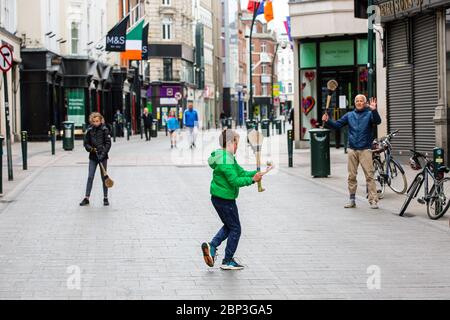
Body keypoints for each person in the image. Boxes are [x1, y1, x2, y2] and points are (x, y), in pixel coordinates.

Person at [201, 129, 273, 271]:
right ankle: (227, 260)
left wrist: (257, 173)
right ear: (230, 143)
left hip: (220, 198)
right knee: (236, 228)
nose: (237, 147)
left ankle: (212, 246)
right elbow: (235, 180)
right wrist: (252, 180)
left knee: (230, 226)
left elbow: (240, 172)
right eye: (236, 143)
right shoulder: (226, 160)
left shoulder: (225, 157)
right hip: (225, 200)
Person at [322, 95, 382, 209]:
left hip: (365, 149)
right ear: (355, 103)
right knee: (351, 176)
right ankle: (352, 200)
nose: (359, 103)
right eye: (357, 101)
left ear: (365, 103)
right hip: (352, 149)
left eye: (361, 101)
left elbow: (378, 121)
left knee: (369, 175)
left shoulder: (369, 114)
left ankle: (373, 200)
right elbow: (337, 125)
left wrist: (374, 110)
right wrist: (328, 120)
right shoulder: (349, 115)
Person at [80, 113, 112, 207]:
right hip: (93, 157)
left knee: (104, 178)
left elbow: (108, 144)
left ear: (100, 120)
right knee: (90, 177)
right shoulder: (89, 130)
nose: (95, 123)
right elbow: (86, 144)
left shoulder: (105, 130)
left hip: (103, 157)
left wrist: (102, 154)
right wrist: (91, 149)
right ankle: (86, 198)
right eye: (93, 121)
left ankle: (105, 198)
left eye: (97, 121)